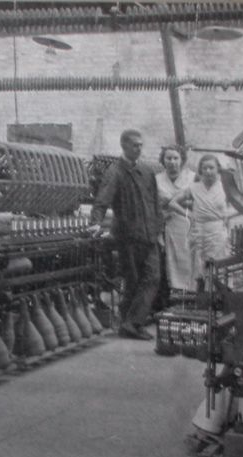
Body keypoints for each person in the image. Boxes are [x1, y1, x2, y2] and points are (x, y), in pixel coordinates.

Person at [88, 129, 161, 340]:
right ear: (124, 146)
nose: (139, 148)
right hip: (128, 237)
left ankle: (131, 323)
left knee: (152, 277)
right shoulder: (115, 172)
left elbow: (155, 203)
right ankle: (130, 325)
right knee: (134, 281)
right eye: (134, 145)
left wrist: (158, 229)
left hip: (149, 236)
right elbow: (102, 200)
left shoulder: (147, 172)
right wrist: (95, 223)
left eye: (141, 145)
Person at [168, 154, 234, 291]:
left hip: (217, 233)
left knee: (218, 268)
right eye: (205, 168)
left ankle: (220, 300)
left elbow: (232, 210)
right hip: (198, 232)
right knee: (199, 270)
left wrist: (227, 225)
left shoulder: (226, 188)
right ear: (200, 170)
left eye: (211, 168)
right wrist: (189, 214)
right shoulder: (194, 187)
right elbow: (173, 203)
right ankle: (199, 301)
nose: (208, 171)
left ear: (218, 169)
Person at [155, 146, 194, 292]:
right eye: (168, 158)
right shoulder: (157, 180)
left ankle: (192, 293)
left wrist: (181, 204)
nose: (172, 162)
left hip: (189, 224)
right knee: (171, 262)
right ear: (163, 161)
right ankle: (175, 293)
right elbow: (154, 205)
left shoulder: (192, 178)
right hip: (168, 225)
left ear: (181, 159)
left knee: (189, 260)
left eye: (175, 158)